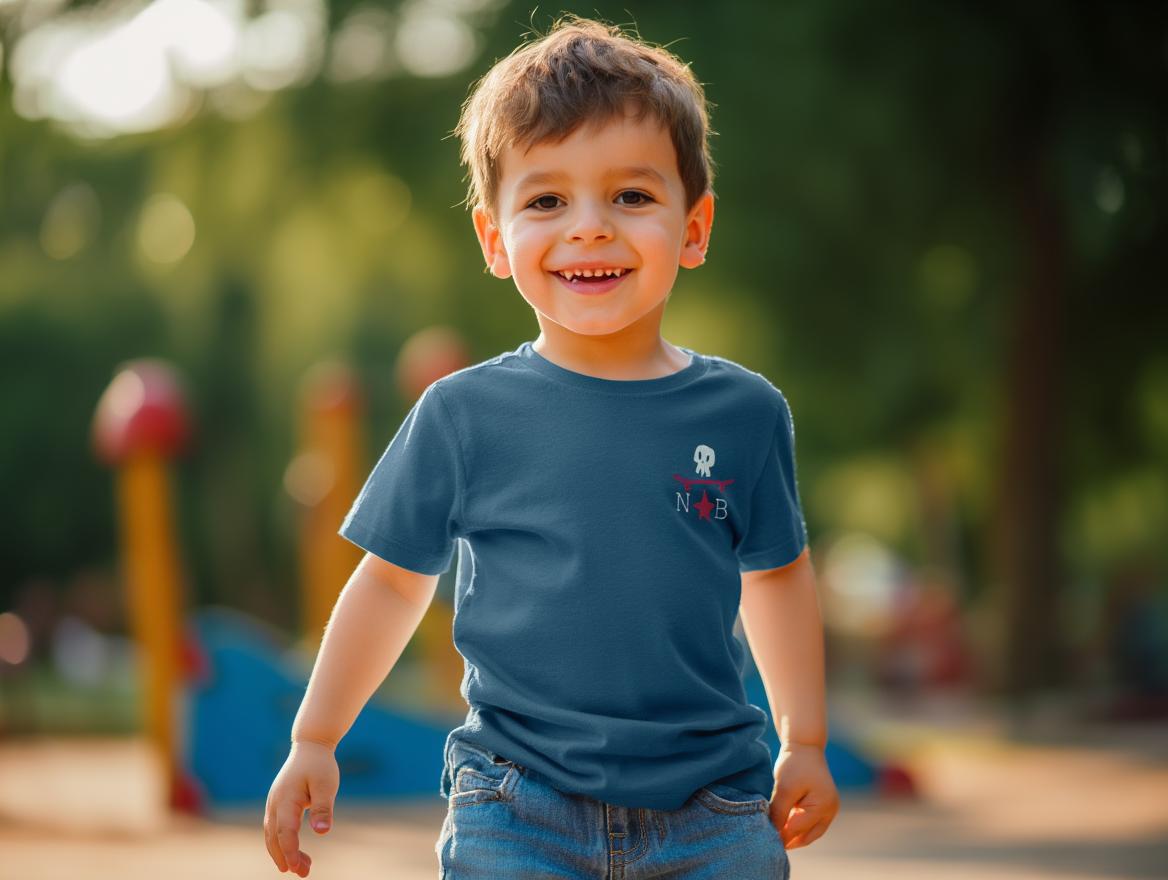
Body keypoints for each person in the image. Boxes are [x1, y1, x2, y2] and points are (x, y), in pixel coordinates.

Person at [263, 14, 838, 878]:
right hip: (516, 804)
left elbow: (778, 575)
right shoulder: (462, 415)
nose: (590, 227)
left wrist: (807, 740)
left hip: (714, 810)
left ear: (694, 227)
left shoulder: (745, 413)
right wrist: (315, 737)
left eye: (632, 196)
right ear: (495, 240)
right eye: (545, 201)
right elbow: (389, 583)